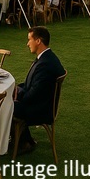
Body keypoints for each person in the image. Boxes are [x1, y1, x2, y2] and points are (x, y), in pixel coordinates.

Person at [13, 26, 66, 154]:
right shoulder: (46, 58)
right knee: (8, 101)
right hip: (41, 103)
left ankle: (22, 142)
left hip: (41, 109)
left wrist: (16, 96)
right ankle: (25, 140)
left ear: (38, 41)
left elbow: (33, 95)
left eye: (29, 39)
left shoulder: (45, 64)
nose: (27, 44)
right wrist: (17, 89)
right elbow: (31, 85)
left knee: (4, 106)